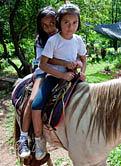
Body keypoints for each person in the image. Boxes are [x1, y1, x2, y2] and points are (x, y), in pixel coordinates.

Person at [31, 3, 87, 160]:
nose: (70, 27)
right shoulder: (53, 41)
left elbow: (83, 57)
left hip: (73, 76)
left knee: (89, 98)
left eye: (74, 23)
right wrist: (61, 76)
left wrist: (82, 72)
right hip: (53, 77)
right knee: (36, 105)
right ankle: (38, 139)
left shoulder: (78, 40)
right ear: (59, 22)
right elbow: (43, 64)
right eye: (66, 23)